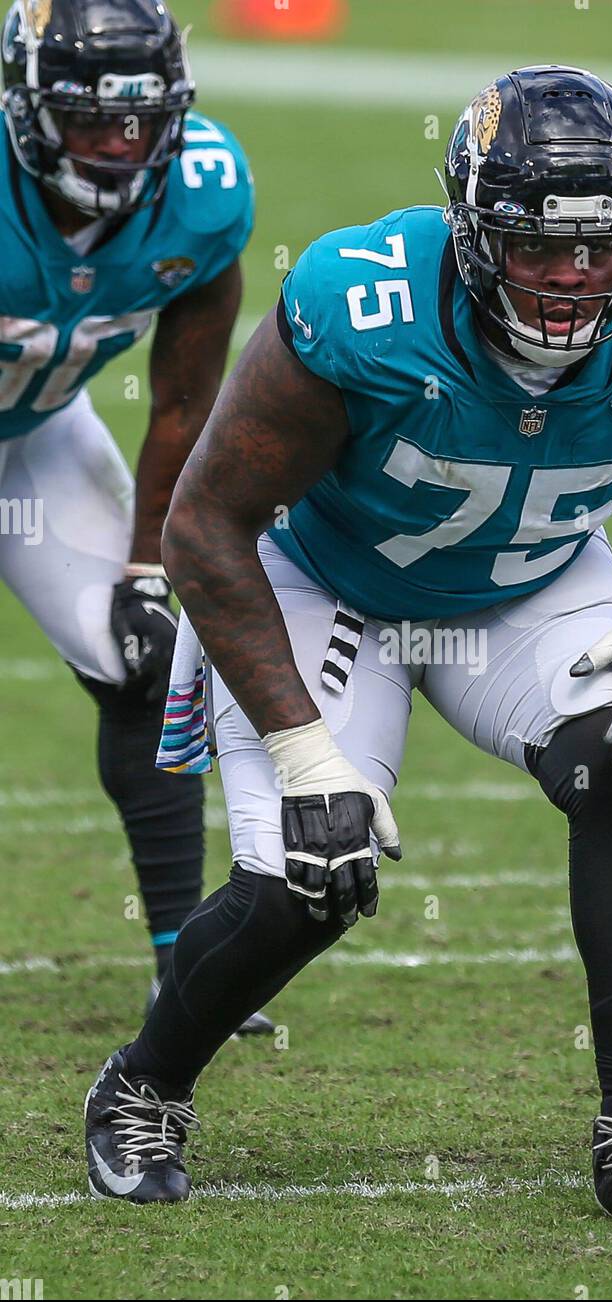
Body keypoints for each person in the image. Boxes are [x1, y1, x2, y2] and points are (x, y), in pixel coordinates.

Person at [86, 67, 612, 1218]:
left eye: (599, 246)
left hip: (532, 583)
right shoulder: (361, 302)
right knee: (309, 875)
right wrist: (307, 758)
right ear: (472, 235)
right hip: (324, 580)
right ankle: (141, 1084)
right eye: (536, 247)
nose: (574, 276)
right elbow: (205, 526)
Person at [0, 0, 271, 1033]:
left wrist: (148, 564)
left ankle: (184, 962)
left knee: (146, 655)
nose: (121, 145)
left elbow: (185, 399)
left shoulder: (199, 195)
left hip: (35, 437)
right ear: (27, 107)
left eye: (142, 118)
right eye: (89, 119)